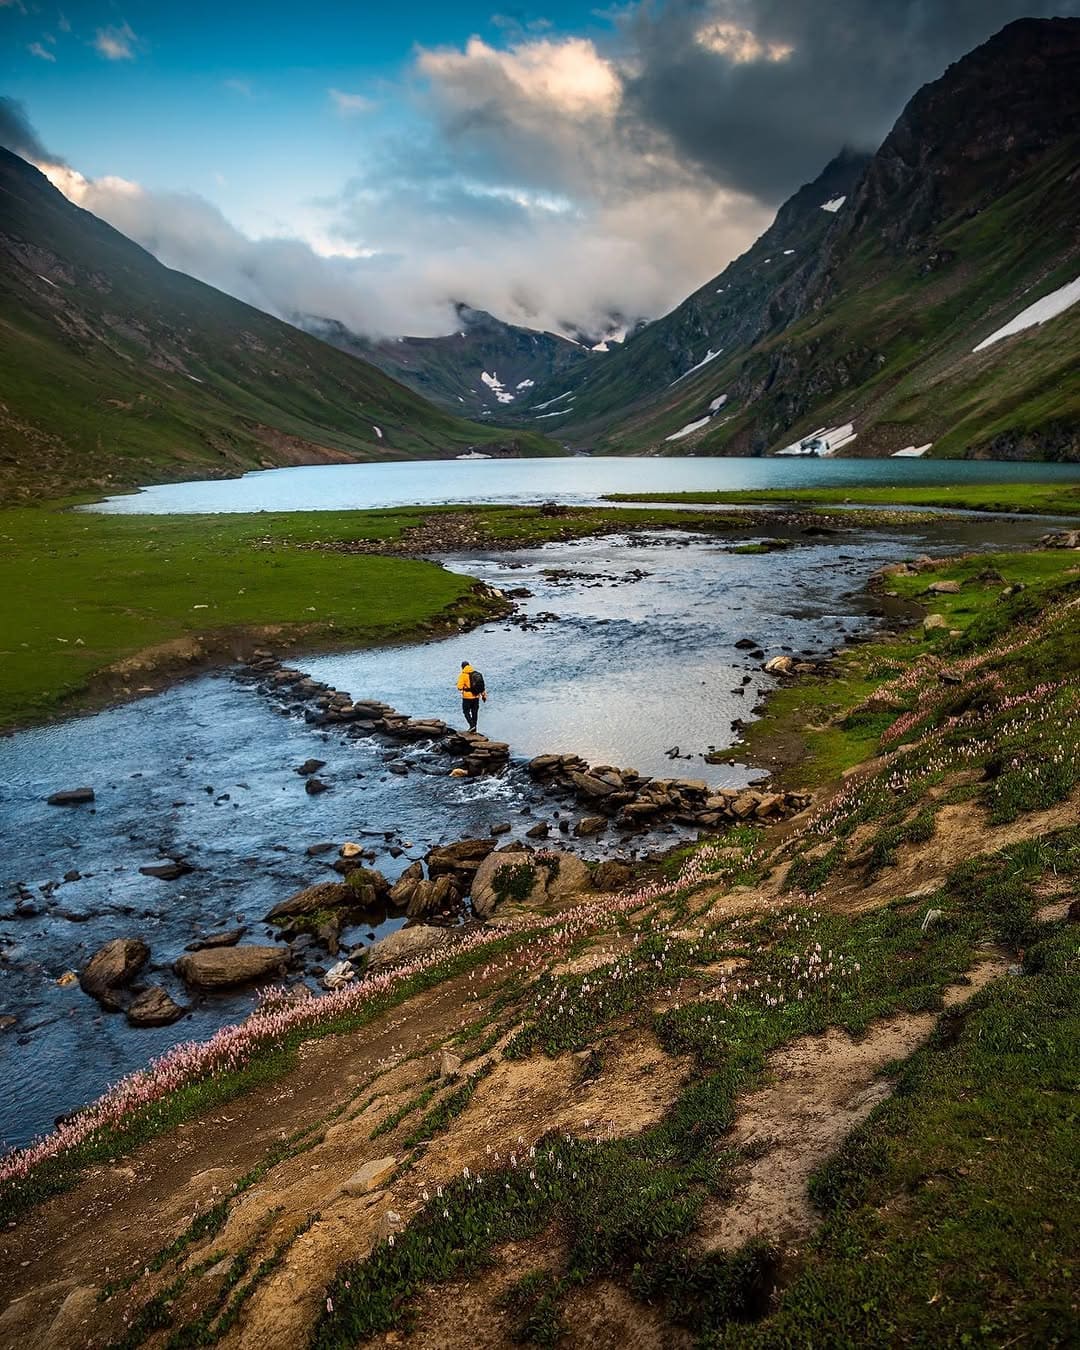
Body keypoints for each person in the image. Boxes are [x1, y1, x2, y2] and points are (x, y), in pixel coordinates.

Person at [456, 660, 487, 731]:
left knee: (466, 711)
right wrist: (484, 696)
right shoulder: (476, 674)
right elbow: (481, 687)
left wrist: (463, 687)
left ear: (462, 667)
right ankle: (474, 728)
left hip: (467, 697)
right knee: (474, 712)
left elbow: (459, 687)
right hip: (476, 696)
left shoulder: (463, 675)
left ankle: (472, 725)